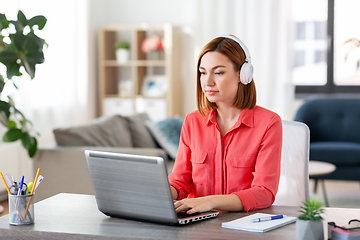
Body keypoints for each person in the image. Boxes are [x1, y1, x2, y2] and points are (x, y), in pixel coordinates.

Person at [168, 35, 283, 214]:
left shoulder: (269, 123)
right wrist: (164, 192)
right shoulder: (192, 121)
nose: (207, 82)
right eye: (203, 72)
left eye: (218, 72)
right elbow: (180, 180)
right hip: (195, 223)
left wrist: (210, 201)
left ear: (243, 75)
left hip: (241, 224)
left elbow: (265, 192)